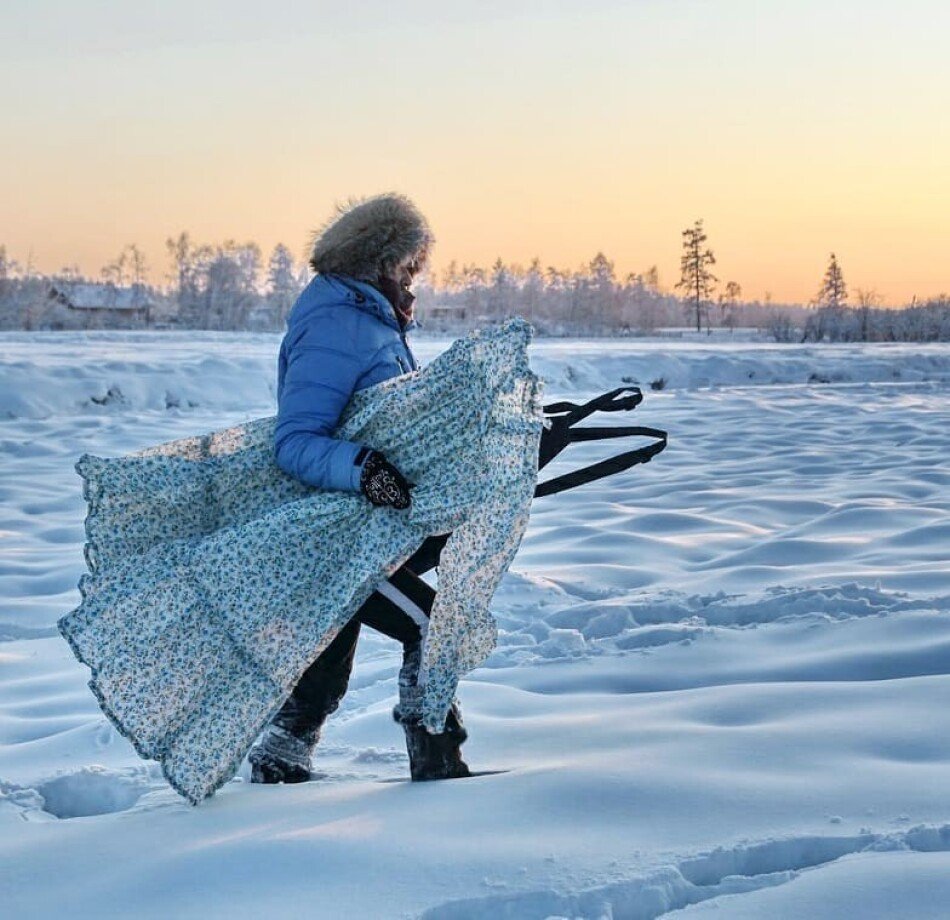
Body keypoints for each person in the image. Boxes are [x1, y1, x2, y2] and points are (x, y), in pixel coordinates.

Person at [248, 192, 470, 785]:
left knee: (326, 661)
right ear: (377, 265)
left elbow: (386, 420)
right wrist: (364, 468)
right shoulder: (336, 325)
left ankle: (278, 765)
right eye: (407, 269)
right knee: (430, 624)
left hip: (362, 526)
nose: (415, 284)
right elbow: (294, 440)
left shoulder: (367, 321)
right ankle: (438, 762)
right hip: (332, 532)